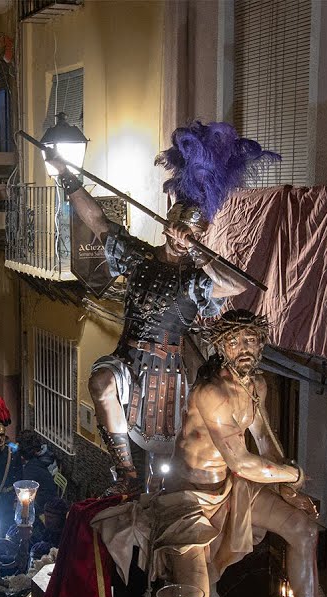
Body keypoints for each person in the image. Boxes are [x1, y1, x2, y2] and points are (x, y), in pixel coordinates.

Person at [47, 122, 272, 489]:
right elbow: (98, 220)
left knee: (174, 452)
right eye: (185, 232)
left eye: (196, 237)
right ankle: (125, 470)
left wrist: (199, 253)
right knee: (101, 383)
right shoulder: (138, 258)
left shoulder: (196, 278)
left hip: (170, 371)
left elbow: (235, 285)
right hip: (127, 359)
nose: (188, 240)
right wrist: (67, 176)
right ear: (169, 224)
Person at [150, 310, 327, 597]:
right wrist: (293, 477)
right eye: (234, 341)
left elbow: (265, 441)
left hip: (231, 488)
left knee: (304, 530)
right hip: (190, 497)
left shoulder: (257, 385)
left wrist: (289, 492)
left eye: (250, 339)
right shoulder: (212, 392)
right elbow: (241, 460)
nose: (243, 347)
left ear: (261, 342)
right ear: (221, 347)